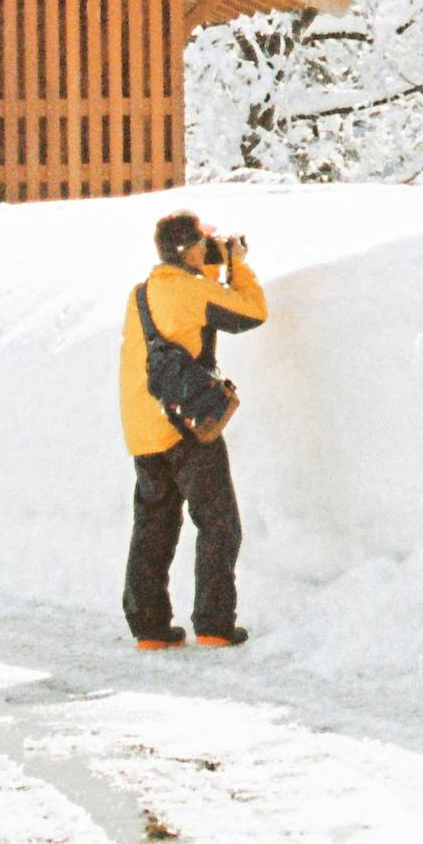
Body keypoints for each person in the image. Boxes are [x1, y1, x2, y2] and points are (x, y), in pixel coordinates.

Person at [119, 208, 266, 648]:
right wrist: (237, 264)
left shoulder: (143, 293)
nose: (210, 251)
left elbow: (184, 286)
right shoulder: (191, 291)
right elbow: (250, 313)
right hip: (184, 425)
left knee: (155, 529)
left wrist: (213, 257)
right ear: (188, 251)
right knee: (220, 524)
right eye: (204, 245)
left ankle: (149, 629)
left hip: (142, 428)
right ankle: (215, 625)